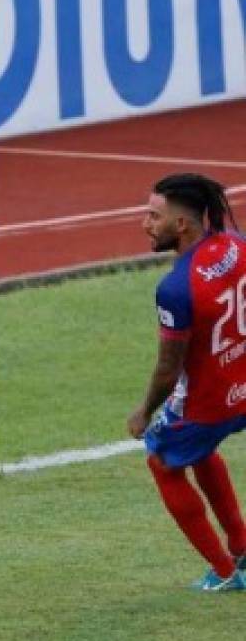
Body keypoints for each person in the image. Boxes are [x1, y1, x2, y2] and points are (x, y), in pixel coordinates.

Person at [127, 173, 246, 592]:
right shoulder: (238, 243)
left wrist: (144, 410)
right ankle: (242, 548)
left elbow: (168, 368)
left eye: (153, 216)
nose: (145, 224)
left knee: (162, 460)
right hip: (243, 386)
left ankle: (227, 571)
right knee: (197, 451)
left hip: (210, 402)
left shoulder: (176, 288)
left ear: (181, 225)